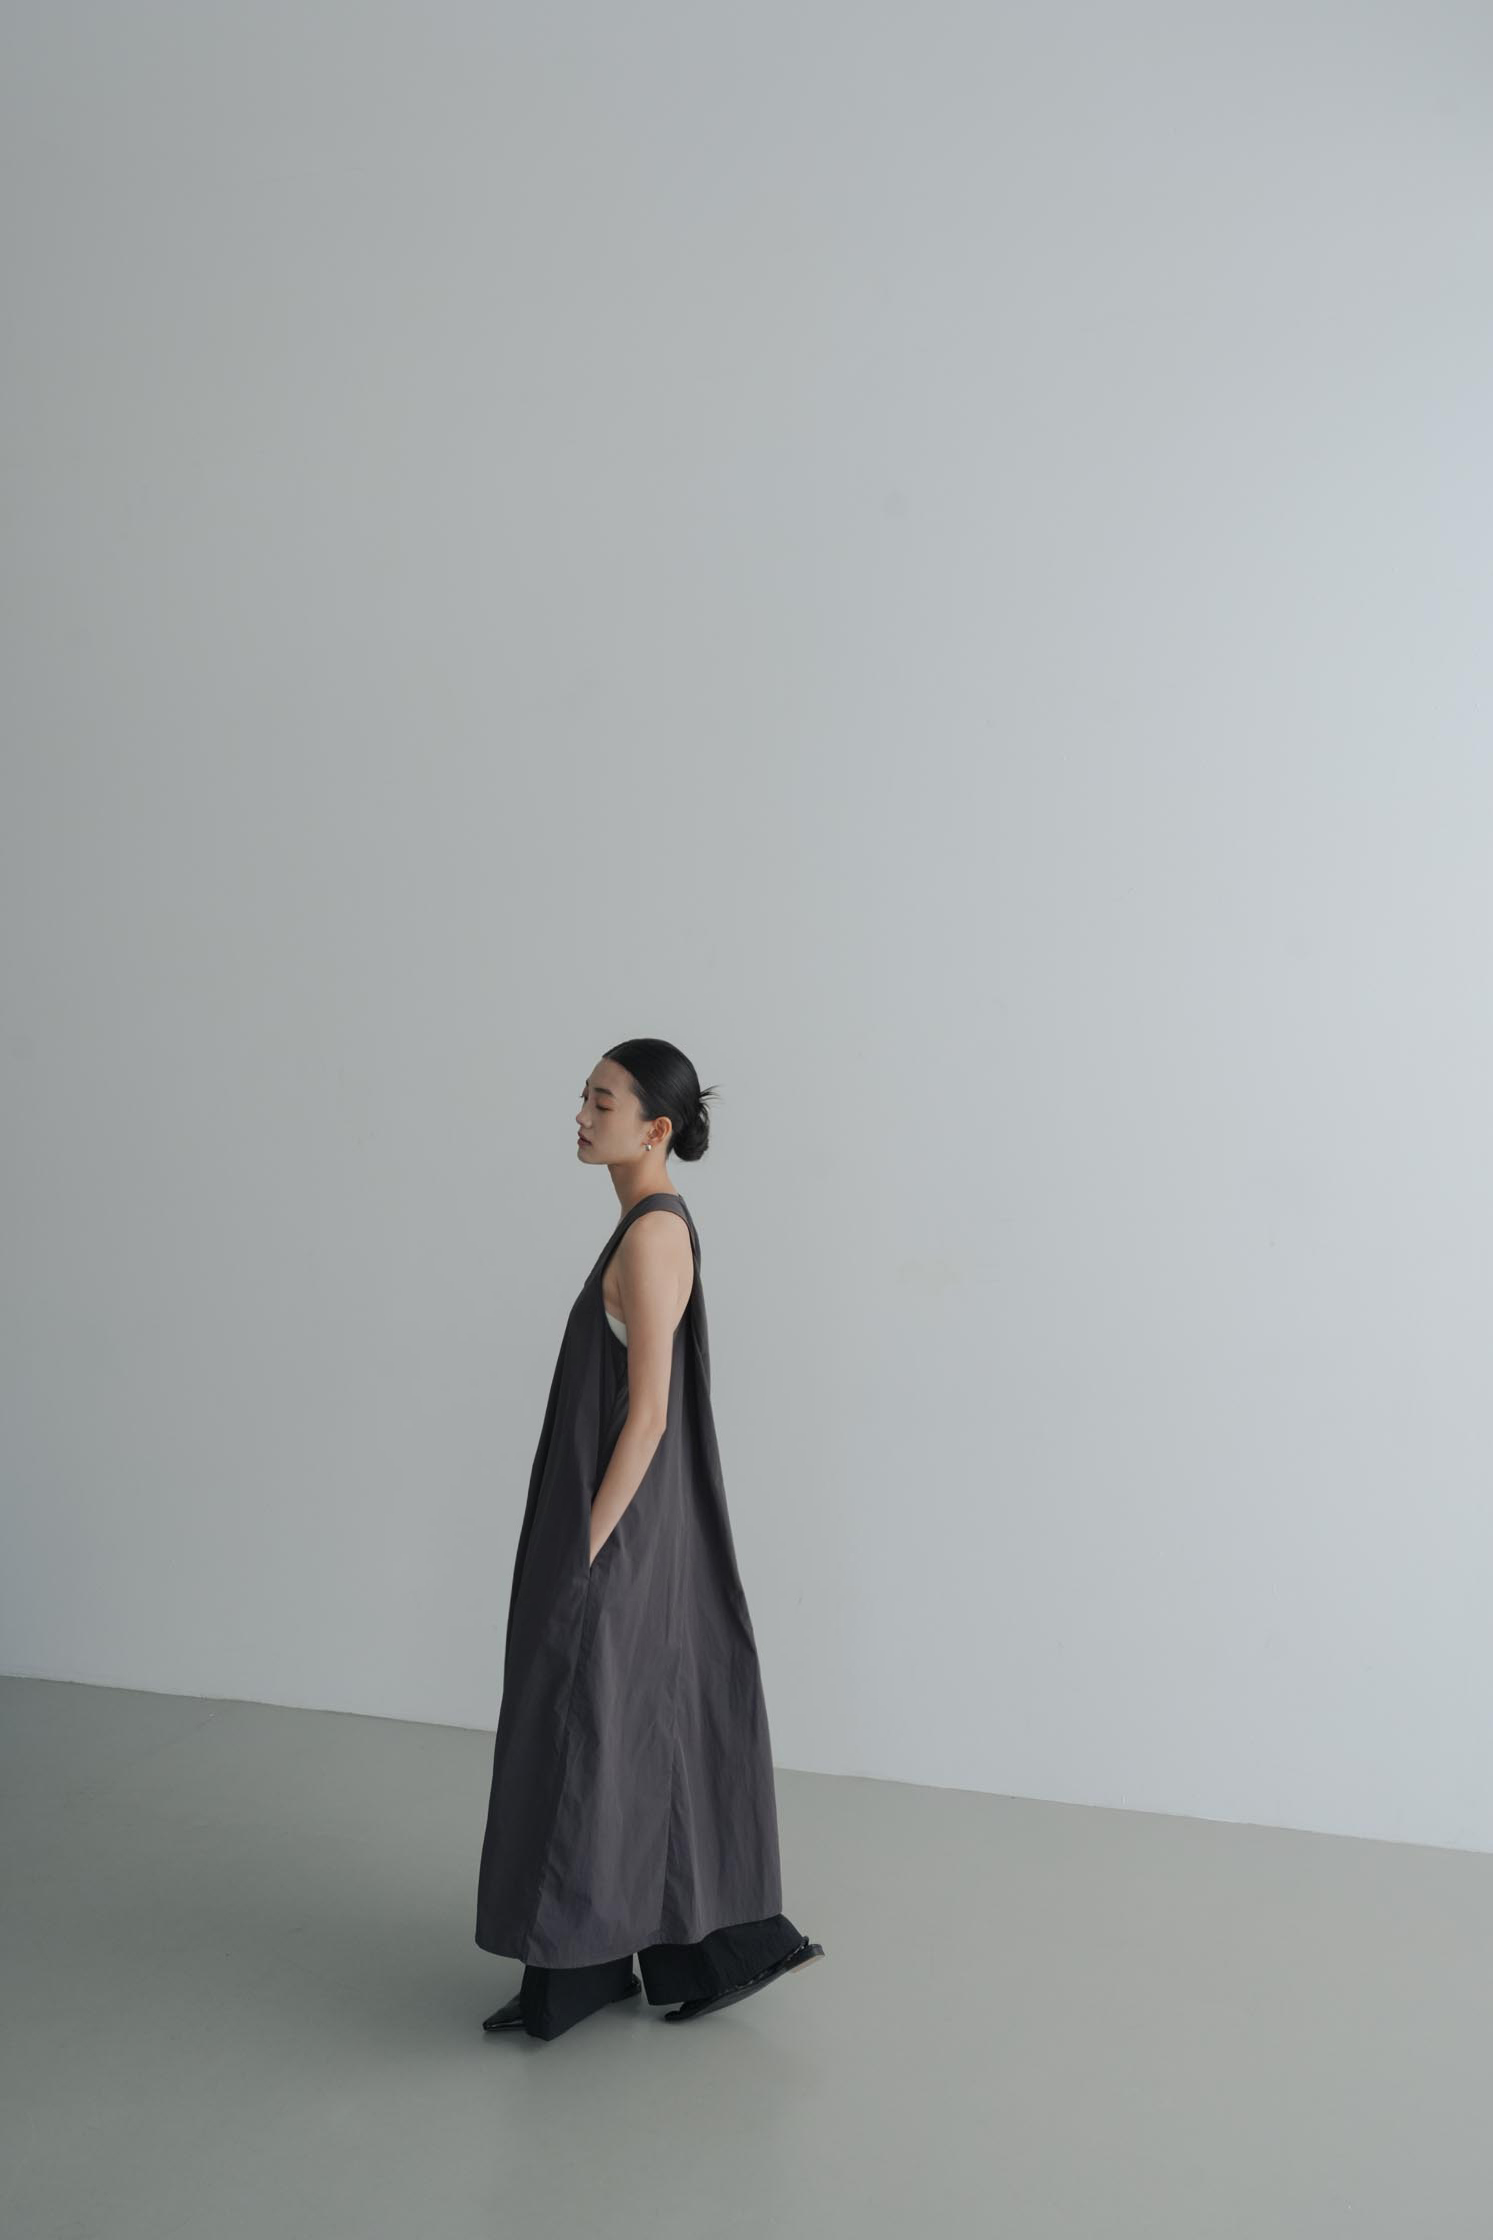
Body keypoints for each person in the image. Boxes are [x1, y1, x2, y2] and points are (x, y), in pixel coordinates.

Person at [474, 1038, 824, 2040]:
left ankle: (626, 1956)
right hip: (627, 1523)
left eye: (602, 1101)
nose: (581, 1117)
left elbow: (651, 1414)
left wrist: (583, 1549)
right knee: (609, 1729)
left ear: (654, 1127)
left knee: (590, 1726)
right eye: (583, 1098)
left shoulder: (653, 1234)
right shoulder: (641, 1225)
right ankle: (593, 1964)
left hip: (621, 1529)